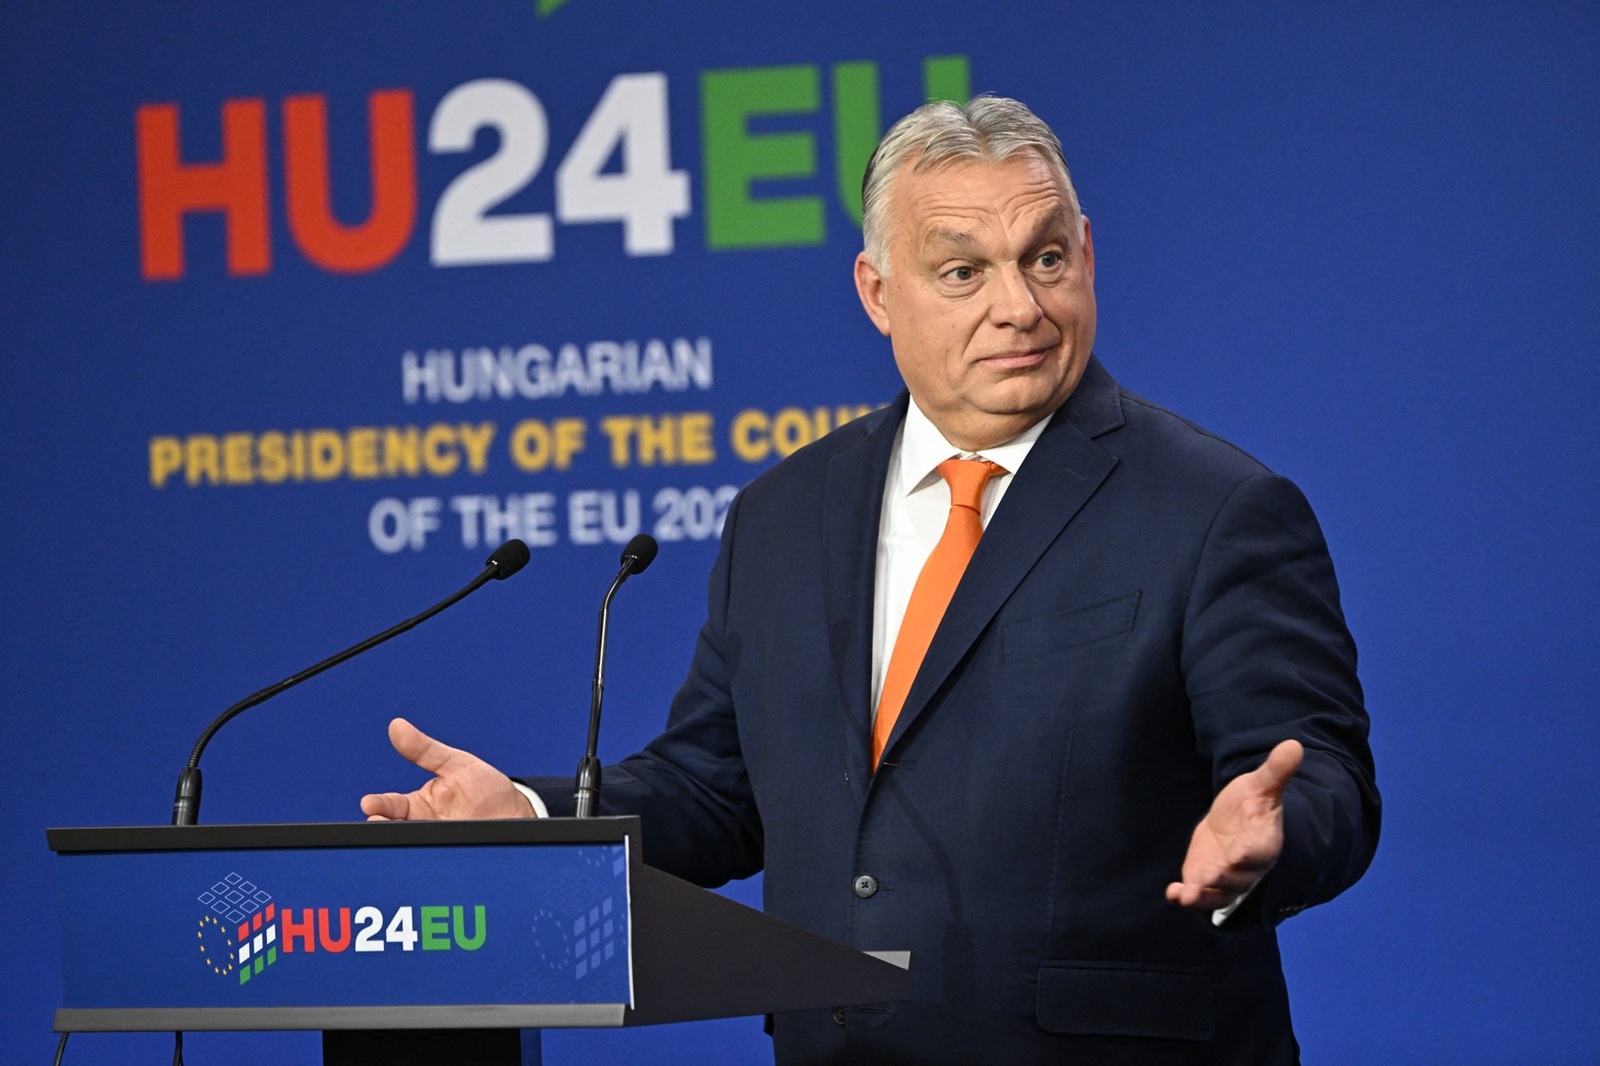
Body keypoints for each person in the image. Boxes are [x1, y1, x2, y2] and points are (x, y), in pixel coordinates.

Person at [363, 96, 1379, 1064]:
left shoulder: (1215, 508)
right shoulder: (783, 517)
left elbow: (1319, 773)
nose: (1019, 306)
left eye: (1046, 258)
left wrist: (1274, 835)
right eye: (962, 271)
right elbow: (715, 790)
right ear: (877, 291)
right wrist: (534, 822)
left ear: (1087, 255)